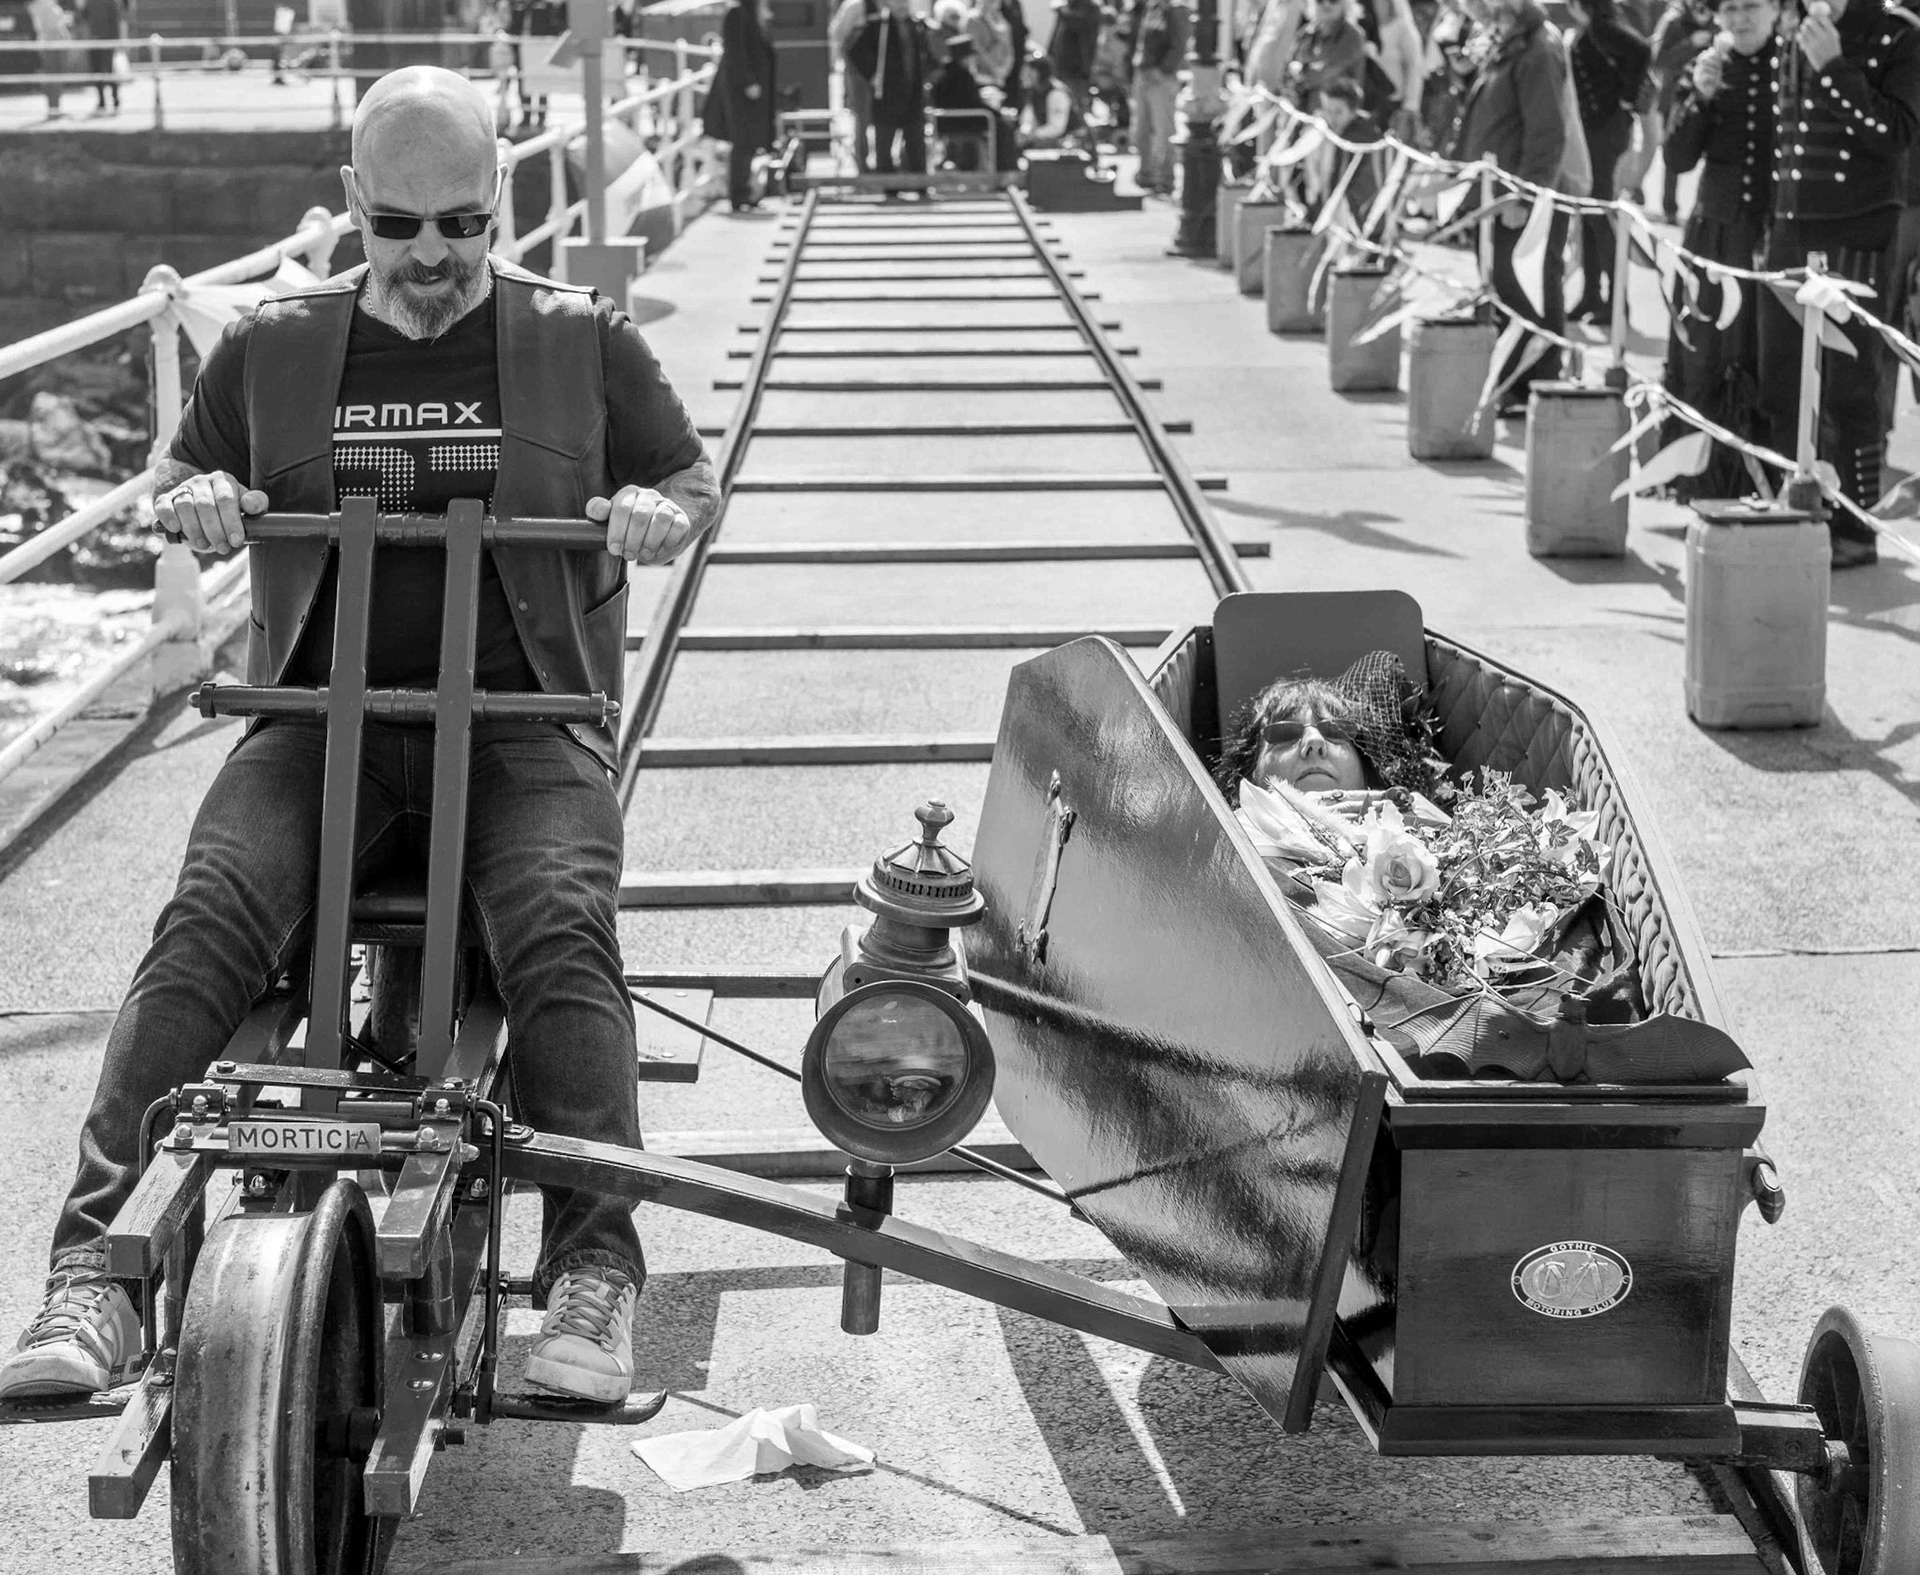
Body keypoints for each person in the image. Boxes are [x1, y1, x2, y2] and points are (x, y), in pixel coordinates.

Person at [0, 66, 721, 1407]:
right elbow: (174, 479)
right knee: (208, 917)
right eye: (401, 225)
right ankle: (96, 1279)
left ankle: (592, 1268)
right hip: (317, 718)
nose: (436, 253)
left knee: (559, 925)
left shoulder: (579, 340)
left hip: (522, 722)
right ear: (350, 207)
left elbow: (689, 473)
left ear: (500, 202)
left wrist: (657, 509)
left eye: (462, 220)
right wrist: (200, 493)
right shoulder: (275, 345)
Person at [1755, 0, 1920, 566]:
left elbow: (1894, 133)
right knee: (1781, 374)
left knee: (1852, 386)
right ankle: (1792, 507)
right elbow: (1783, 137)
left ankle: (1855, 527)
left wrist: (1833, 67)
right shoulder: (1794, 30)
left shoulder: (1898, 35)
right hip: (1790, 227)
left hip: (1860, 228)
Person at [1657, 0, 1777, 495]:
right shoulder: (1705, 64)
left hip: (1769, 233)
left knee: (1760, 354)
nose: (1741, 18)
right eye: (1731, 8)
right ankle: (1701, 477)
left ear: (1774, 10)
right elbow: (1677, 157)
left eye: (1752, 6)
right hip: (1714, 233)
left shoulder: (1790, 65)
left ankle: (1757, 478)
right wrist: (1699, 99)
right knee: (1704, 352)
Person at [1453, 0, 1574, 397]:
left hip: (1520, 200)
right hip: (1497, 194)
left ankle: (1534, 384)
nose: (1476, 12)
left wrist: (1524, 197)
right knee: (1506, 290)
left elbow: (1547, 133)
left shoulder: (1537, 48)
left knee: (1530, 291)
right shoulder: (1509, 41)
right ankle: (1512, 382)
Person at [1565, 0, 1649, 324]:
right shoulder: (1598, 25)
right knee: (1587, 213)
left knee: (1598, 213)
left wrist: (1627, 95)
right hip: (1593, 129)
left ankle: (1617, 302)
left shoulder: (1602, 27)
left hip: (1605, 129)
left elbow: (1641, 51)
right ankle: (1590, 295)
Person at [704, 0, 778, 210]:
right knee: (742, 141)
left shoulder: (752, 13)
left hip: (753, 92)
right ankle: (738, 194)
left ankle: (745, 189)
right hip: (741, 92)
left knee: (750, 142)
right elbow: (735, 52)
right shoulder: (737, 13)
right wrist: (748, 81)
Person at [849, 0, 936, 176]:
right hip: (888, 94)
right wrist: (872, 75)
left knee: (916, 139)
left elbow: (928, 55)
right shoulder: (878, 26)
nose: (902, 5)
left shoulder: (917, 26)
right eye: (897, 1)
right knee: (884, 141)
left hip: (913, 92)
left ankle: (920, 183)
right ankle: (888, 185)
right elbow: (855, 52)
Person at [1649, 0, 1718, 218]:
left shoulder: (1719, 18)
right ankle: (1670, 207)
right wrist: (1690, 43)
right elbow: (1657, 59)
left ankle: (1704, 208)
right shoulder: (1673, 19)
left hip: (1711, 96)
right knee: (1675, 150)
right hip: (1675, 97)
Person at [1131, 0, 1189, 193]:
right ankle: (1146, 172)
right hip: (1144, 73)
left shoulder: (1176, 9)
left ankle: (1165, 177)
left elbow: (1179, 45)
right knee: (1141, 129)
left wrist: (1164, 69)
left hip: (1161, 77)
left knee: (1163, 129)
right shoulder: (1152, 6)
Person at [831, 0, 881, 172]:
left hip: (885, 68)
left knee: (888, 114)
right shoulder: (855, 6)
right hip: (859, 70)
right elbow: (838, 34)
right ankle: (862, 162)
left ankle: (887, 161)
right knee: (863, 115)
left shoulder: (891, 4)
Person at [1288, 0, 1369, 104]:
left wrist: (1299, 74)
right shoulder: (1307, 32)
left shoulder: (1352, 36)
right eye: (1320, 1)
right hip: (1301, 108)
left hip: (1334, 111)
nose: (1326, 4)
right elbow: (1288, 65)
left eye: (1333, 0)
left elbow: (1325, 73)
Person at [1047, 0, 1104, 116]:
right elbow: (1056, 37)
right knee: (1060, 108)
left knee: (1076, 108)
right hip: (1059, 68)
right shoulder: (1067, 7)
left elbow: (1078, 23)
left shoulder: (1090, 8)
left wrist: (1061, 10)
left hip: (1077, 71)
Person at [1021, 50, 1084, 142]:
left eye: (1030, 71)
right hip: (1052, 142)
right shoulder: (1034, 92)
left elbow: (1056, 128)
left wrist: (1033, 135)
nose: (1025, 75)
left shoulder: (1057, 94)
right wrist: (1025, 132)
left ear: (1041, 72)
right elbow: (1029, 119)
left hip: (1072, 142)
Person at [26, 0, 73, 121]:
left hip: (50, 45)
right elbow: (51, 27)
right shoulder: (45, 6)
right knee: (54, 77)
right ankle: (54, 109)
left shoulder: (44, 5)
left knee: (53, 77)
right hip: (52, 46)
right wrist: (64, 22)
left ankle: (54, 108)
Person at [81, 0, 124, 112]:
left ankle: (104, 101)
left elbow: (83, 16)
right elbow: (116, 21)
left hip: (96, 39)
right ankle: (113, 99)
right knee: (108, 70)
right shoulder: (111, 2)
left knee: (99, 71)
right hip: (105, 40)